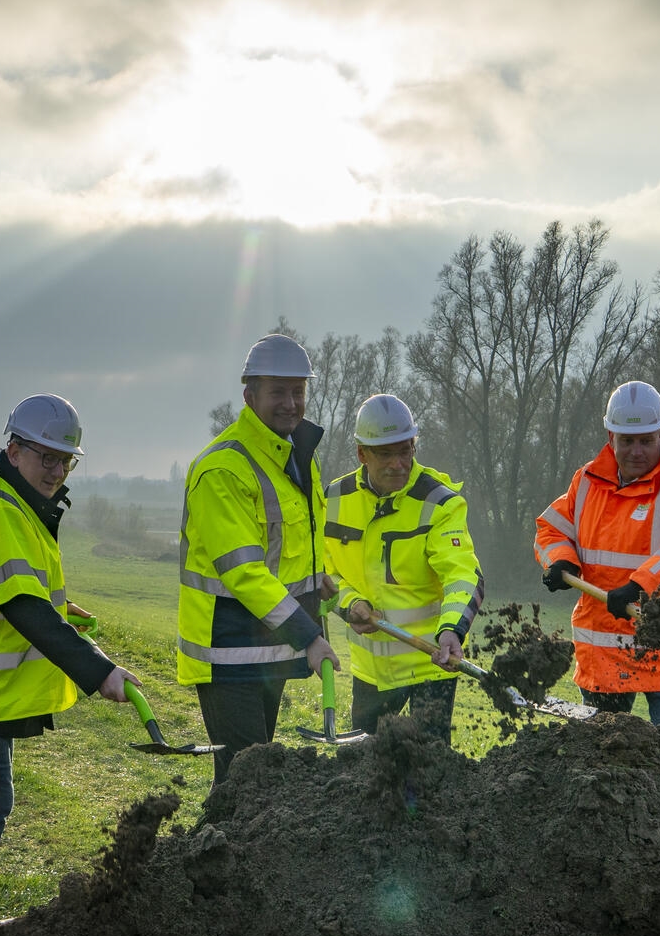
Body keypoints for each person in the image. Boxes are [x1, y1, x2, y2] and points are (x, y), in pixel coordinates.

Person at [0, 393, 140, 936]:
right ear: (14, 451)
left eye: (66, 461)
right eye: (47, 458)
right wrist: (98, 671)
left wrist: (62, 609)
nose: (57, 471)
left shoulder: (14, 502)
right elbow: (20, 606)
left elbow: (22, 590)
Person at [177, 333, 338, 785]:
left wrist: (315, 576)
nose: (291, 403)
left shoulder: (295, 455)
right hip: (229, 653)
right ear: (249, 396)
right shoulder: (223, 468)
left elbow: (284, 545)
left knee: (250, 780)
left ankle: (214, 848)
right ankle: (203, 853)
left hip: (269, 646)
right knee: (246, 783)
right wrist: (309, 637)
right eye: (278, 392)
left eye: (298, 392)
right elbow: (244, 571)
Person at [535, 381, 660, 728]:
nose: (637, 451)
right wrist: (560, 560)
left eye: (646, 440)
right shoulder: (586, 481)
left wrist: (640, 586)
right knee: (603, 765)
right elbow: (551, 528)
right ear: (610, 437)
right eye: (627, 441)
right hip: (603, 651)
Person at [324, 394, 485, 744]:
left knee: (429, 769)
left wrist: (452, 631)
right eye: (386, 453)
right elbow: (323, 573)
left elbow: (464, 574)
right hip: (372, 671)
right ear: (362, 454)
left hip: (432, 664)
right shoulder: (333, 501)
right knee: (365, 768)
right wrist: (349, 604)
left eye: (406, 450)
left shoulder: (439, 502)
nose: (399, 463)